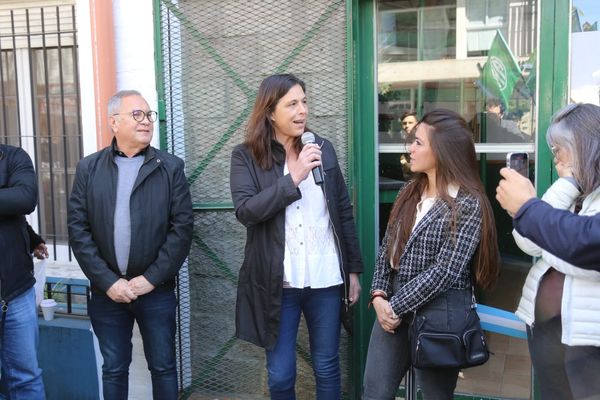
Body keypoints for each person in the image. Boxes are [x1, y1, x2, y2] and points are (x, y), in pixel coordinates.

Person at [229, 73, 363, 400]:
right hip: (279, 282)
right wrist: (296, 177)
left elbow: (343, 211)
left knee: (328, 365)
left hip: (326, 277)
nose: (302, 110)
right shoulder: (245, 155)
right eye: (292, 104)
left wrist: (353, 271)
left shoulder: (322, 148)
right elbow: (247, 211)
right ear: (270, 112)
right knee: (280, 373)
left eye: (304, 101)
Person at [362, 109, 499, 400]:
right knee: (375, 392)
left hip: (439, 315)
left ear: (443, 150)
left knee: (436, 396)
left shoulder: (469, 203)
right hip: (391, 312)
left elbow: (446, 271)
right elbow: (388, 247)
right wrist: (377, 294)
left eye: (418, 143)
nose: (409, 148)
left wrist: (394, 305)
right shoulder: (409, 192)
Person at [68, 90, 194, 400]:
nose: (146, 121)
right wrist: (108, 281)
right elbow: (78, 229)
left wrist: (150, 279)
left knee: (164, 368)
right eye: (137, 114)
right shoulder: (89, 168)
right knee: (113, 369)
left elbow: (182, 228)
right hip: (106, 293)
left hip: (156, 292)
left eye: (149, 115)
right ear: (114, 122)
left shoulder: (170, 167)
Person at [507, 103, 600, 399]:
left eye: (560, 150)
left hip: (587, 341)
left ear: (584, 146)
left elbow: (584, 257)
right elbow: (527, 241)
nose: (556, 160)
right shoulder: (576, 192)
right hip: (548, 332)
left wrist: (540, 224)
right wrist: (570, 181)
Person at [0, 143, 46, 399]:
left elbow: (24, 199)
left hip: (16, 292)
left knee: (26, 377)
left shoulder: (13, 157)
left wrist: (30, 237)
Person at [497, 167, 600, 271]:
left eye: (558, 150)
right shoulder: (573, 188)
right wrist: (568, 183)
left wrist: (526, 209)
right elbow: (529, 244)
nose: (555, 158)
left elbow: (589, 247)